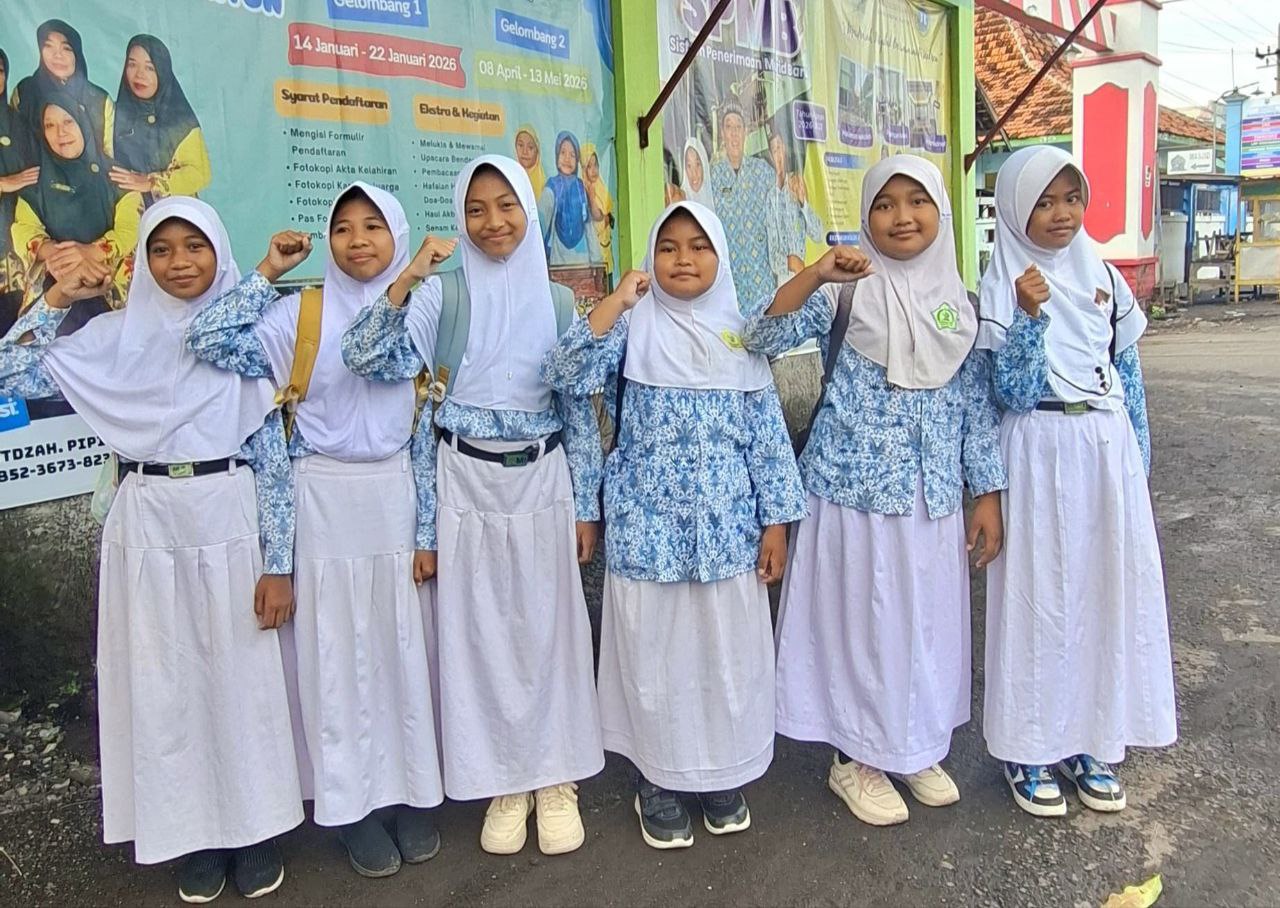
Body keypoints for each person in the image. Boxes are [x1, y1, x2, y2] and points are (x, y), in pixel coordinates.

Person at [0, 197, 302, 903]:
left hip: (227, 516)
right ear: (142, 259)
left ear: (220, 252)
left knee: (240, 680)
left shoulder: (246, 338)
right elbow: (11, 374)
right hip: (146, 523)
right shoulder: (113, 338)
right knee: (166, 683)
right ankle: (191, 834)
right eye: (161, 249)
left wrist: (278, 565)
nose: (179, 262)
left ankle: (253, 830)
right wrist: (55, 297)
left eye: (195, 246)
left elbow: (272, 460)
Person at [341, 155, 604, 857]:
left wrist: (586, 504)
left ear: (528, 210)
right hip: (464, 482)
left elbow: (577, 411)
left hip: (543, 479)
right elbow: (365, 358)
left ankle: (556, 777)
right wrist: (408, 278)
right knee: (480, 635)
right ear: (460, 216)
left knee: (551, 630)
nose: (493, 222)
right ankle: (504, 782)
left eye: (507, 206)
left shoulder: (558, 303)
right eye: (477, 209)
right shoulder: (441, 297)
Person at [185, 182, 444, 878]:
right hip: (321, 501)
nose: (358, 241)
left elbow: (424, 430)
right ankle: (352, 808)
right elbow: (207, 340)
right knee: (336, 664)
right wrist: (268, 268)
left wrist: (427, 532)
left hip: (394, 498)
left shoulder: (422, 310)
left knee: (403, 655)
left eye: (374, 227)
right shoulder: (301, 313)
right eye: (344, 227)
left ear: (399, 235)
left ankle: (411, 794)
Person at [742, 156, 1007, 827]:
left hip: (931, 498)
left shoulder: (961, 306)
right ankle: (855, 757)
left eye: (917, 201)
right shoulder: (848, 291)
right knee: (863, 625)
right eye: (884, 205)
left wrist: (986, 493)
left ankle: (911, 744)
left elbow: (975, 409)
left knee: (923, 626)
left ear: (941, 212)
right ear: (866, 217)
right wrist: (816, 273)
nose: (901, 217)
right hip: (854, 496)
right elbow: (760, 334)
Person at [541, 200, 807, 849]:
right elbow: (564, 373)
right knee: (656, 657)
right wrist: (616, 302)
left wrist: (776, 523)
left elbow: (768, 439)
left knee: (723, 656)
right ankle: (657, 778)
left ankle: (722, 772)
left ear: (721, 256)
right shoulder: (633, 331)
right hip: (648, 531)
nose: (683, 259)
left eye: (698, 246)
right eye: (668, 248)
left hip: (727, 536)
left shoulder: (741, 338)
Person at [977, 145, 1175, 818]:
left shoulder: (1106, 278)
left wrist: (1137, 463)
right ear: (1014, 210)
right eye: (1043, 202)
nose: (1061, 214)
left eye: (1071, 198)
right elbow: (1011, 391)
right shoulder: (1002, 286)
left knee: (1100, 594)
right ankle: (1029, 748)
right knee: (1037, 597)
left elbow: (1128, 375)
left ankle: (1091, 739)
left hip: (1103, 451)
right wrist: (1029, 319)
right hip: (1037, 450)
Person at [11, 92, 143, 419]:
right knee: (54, 387)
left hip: (113, 292)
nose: (61, 133)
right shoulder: (36, 183)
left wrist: (89, 252)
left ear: (85, 123)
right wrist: (52, 252)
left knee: (121, 384)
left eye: (68, 121)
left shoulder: (117, 177)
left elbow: (131, 230)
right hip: (57, 289)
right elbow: (23, 228)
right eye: (50, 125)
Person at [111, 35, 211, 205]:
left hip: (174, 212)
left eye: (149, 68)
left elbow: (199, 173)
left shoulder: (180, 122)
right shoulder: (112, 116)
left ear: (162, 72)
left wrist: (152, 183)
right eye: (132, 65)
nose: (139, 75)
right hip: (128, 213)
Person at [12, 19, 114, 158]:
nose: (58, 55)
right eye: (49, 46)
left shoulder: (99, 100)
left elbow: (108, 156)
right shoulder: (25, 91)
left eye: (66, 48)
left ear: (77, 54)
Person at [709, 101, 775, 313]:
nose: (734, 134)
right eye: (729, 127)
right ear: (722, 134)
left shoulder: (763, 171)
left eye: (738, 127)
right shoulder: (712, 176)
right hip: (729, 282)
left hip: (761, 280)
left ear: (745, 132)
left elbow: (780, 210)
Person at [1, 48, 38, 332]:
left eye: (0, 71)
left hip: (14, 246)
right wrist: (5, 183)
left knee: (13, 328)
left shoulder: (19, 125)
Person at [764, 127, 823, 286]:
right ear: (770, 155)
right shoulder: (770, 197)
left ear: (785, 150)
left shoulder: (796, 183)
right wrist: (791, 262)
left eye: (780, 147)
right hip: (784, 279)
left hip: (804, 272)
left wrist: (803, 203)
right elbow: (773, 256)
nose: (778, 154)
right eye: (774, 150)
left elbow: (817, 234)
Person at [539, 130, 597, 267]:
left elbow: (588, 225)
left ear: (577, 160)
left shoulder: (581, 188)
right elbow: (541, 225)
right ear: (556, 156)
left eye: (572, 155)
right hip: (557, 258)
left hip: (582, 259)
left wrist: (596, 260)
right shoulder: (551, 187)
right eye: (563, 153)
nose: (567, 159)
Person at [581, 141, 614, 277]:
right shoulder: (585, 189)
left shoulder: (601, 187)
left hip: (606, 247)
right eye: (589, 166)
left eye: (596, 165)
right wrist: (592, 198)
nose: (594, 170)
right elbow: (597, 216)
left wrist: (607, 218)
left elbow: (609, 215)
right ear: (583, 169)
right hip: (594, 252)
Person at [514, 124, 547, 199]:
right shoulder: (511, 178)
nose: (524, 152)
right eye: (520, 145)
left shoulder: (544, 185)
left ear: (537, 151)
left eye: (530, 147)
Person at [680, 136, 713, 209]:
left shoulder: (715, 198)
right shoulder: (680, 201)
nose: (694, 173)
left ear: (704, 165)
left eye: (697, 164)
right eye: (689, 166)